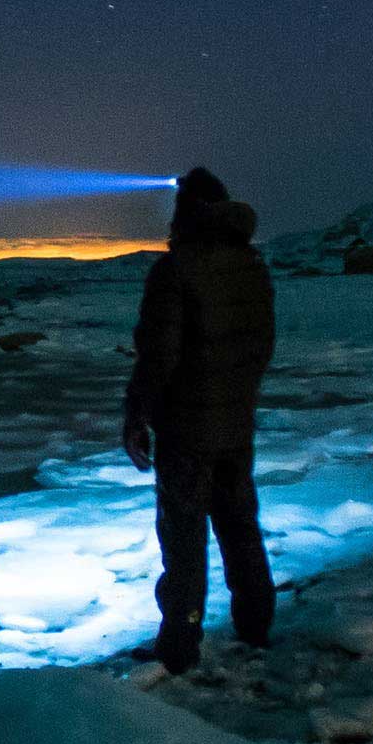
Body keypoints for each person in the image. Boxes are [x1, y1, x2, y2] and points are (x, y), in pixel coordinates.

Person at [122, 165, 277, 672]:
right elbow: (260, 345)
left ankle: (180, 645)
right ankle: (256, 626)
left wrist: (137, 414)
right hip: (235, 421)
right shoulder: (251, 264)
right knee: (240, 526)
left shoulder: (178, 268)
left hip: (188, 427)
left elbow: (158, 353)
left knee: (184, 536)